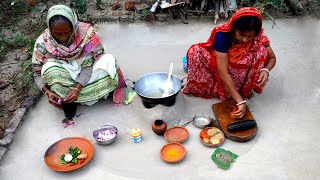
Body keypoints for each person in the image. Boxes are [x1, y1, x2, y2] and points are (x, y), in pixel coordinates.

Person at [32, 4, 128, 121]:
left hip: (87, 72)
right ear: (50, 30)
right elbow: (37, 74)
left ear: (73, 26)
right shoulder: (43, 43)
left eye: (67, 32)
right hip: (64, 77)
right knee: (49, 69)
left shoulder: (86, 35)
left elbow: (89, 64)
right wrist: (47, 92)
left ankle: (102, 92)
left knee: (109, 61)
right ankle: (69, 101)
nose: (63, 38)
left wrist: (77, 88)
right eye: (58, 34)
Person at [183, 7, 276, 119]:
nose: (245, 40)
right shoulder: (222, 36)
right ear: (234, 28)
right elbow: (223, 72)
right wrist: (240, 102)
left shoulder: (259, 38)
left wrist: (266, 70)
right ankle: (226, 89)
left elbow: (272, 58)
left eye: (250, 36)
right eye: (241, 34)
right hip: (220, 65)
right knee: (195, 52)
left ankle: (240, 88)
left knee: (260, 51)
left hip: (240, 71)